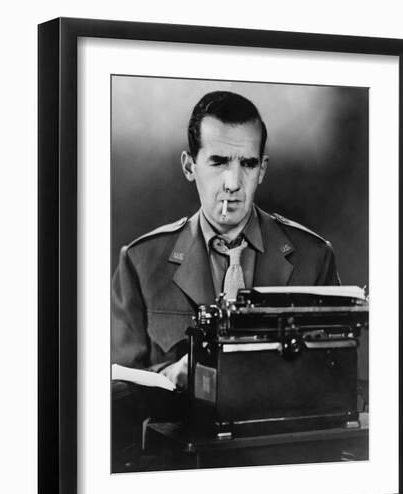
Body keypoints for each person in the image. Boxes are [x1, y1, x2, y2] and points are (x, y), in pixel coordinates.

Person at [111, 91, 340, 468]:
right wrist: (174, 374)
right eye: (218, 161)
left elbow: (337, 383)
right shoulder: (140, 262)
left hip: (284, 464)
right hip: (177, 471)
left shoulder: (313, 257)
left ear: (262, 169)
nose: (233, 182)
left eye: (247, 163)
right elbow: (113, 393)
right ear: (189, 165)